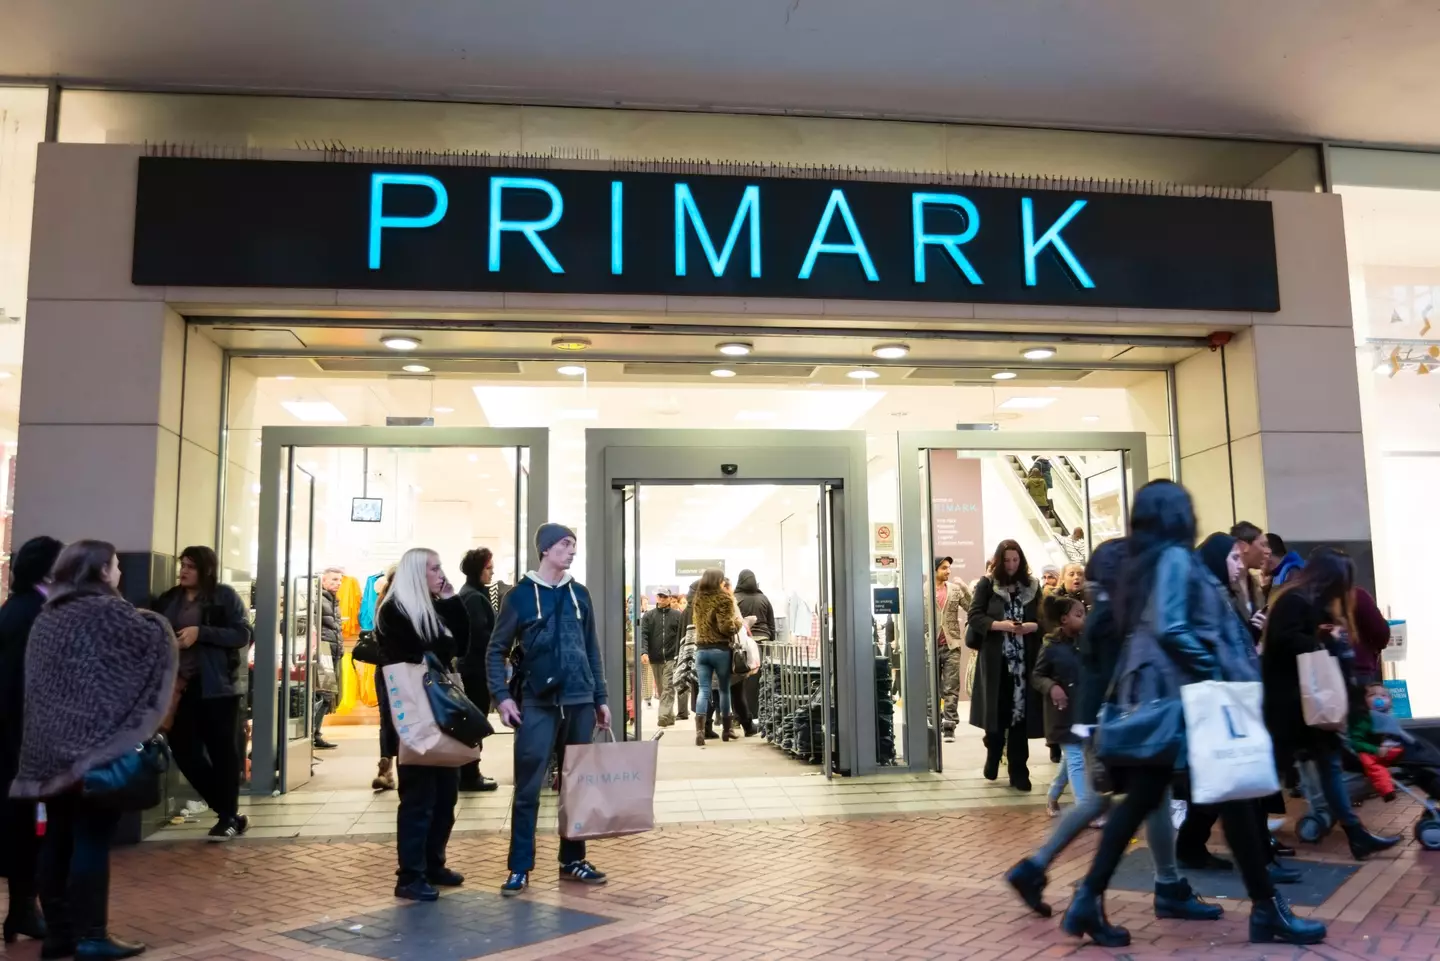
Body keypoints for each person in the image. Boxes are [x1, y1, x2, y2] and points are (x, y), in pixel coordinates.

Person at [1062, 483, 1325, 948]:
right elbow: (1173, 627)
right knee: (1233, 800)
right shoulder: (1176, 560)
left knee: (1156, 802)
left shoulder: (1148, 564)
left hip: (1168, 707)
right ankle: (1267, 911)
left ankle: (1088, 898)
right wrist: (1217, 676)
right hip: (1189, 706)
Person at [1006, 537, 1217, 926]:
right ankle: (1051, 874)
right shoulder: (1112, 617)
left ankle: (1162, 884)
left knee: (1136, 799)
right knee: (1114, 801)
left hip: (1113, 724)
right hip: (1116, 726)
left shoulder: (1109, 613)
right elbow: (1106, 672)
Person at [12, 540, 178, 960]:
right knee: (90, 838)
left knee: (57, 840)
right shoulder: (110, 613)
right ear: (102, 571)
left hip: (46, 752)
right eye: (117, 566)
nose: (121, 573)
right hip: (92, 750)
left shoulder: (48, 618)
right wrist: (154, 618)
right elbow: (153, 641)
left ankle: (59, 935)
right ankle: (92, 935)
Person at [488, 524, 611, 897]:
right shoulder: (519, 597)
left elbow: (592, 648)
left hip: (579, 701)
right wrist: (502, 696)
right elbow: (495, 650)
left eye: (574, 545)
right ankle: (520, 866)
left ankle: (572, 858)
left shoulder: (580, 594)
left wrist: (600, 697)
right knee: (527, 788)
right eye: (564, 544)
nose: (571, 551)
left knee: (576, 787)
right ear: (544, 549)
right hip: (536, 704)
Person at [1262, 549, 1400, 862]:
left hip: (1312, 704)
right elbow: (1283, 643)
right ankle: (1254, 838)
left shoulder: (1312, 603)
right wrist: (1324, 640)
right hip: (1290, 705)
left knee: (1328, 766)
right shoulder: (1294, 601)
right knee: (1276, 769)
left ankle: (1356, 834)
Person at [1174, 534, 1297, 884]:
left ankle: (1198, 849)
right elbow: (1207, 649)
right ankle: (1259, 866)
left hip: (1224, 698)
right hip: (1219, 700)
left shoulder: (1220, 596)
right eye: (1232, 558)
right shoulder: (1207, 597)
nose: (1240, 563)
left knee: (1221, 787)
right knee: (1239, 785)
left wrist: (1250, 636)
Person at [377, 548, 466, 902]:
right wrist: (442, 623)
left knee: (446, 791)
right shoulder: (395, 610)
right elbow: (424, 649)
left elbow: (462, 644)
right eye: (434, 568)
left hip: (439, 710)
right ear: (416, 572)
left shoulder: (430, 607)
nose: (441, 574)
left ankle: (433, 863)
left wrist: (450, 600)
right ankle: (410, 874)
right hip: (412, 712)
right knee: (418, 796)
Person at [151, 546, 253, 841]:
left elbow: (242, 634)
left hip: (218, 688)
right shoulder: (170, 599)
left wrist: (201, 633)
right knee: (183, 750)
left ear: (206, 569)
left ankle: (226, 817)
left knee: (224, 753)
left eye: (191, 566)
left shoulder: (224, 597)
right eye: (182, 565)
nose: (183, 571)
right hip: (178, 688)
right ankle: (227, 811)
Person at [0, 536, 63, 946]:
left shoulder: (15, 609)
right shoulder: (39, 613)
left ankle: (23, 909)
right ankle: (25, 909)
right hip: (26, 737)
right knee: (29, 824)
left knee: (22, 821)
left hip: (14, 735)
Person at [967, 540, 1042, 790]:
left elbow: (1043, 619)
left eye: (1015, 560)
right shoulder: (987, 584)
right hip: (995, 660)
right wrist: (1001, 625)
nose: (1011, 565)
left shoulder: (1032, 586)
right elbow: (975, 616)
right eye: (1007, 560)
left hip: (1024, 662)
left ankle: (1019, 770)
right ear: (999, 561)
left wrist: (1032, 626)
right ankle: (993, 752)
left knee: (1019, 715)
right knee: (997, 712)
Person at [455, 548, 502, 792]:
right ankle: (470, 773)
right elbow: (480, 638)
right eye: (488, 567)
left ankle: (469, 772)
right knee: (475, 722)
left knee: (473, 721)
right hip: (475, 671)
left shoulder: (472, 594)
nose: (492, 572)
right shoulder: (473, 597)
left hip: (472, 669)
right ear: (477, 569)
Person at [1035, 595, 1085, 817]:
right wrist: (1052, 686)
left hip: (1082, 712)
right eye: (1079, 615)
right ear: (1064, 619)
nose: (1084, 618)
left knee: (1070, 759)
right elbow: (1037, 675)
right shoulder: (1051, 646)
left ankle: (1052, 796)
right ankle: (1085, 809)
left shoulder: (1085, 644)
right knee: (1076, 759)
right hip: (1061, 714)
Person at [690, 569, 742, 747]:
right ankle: (726, 731)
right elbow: (726, 627)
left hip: (701, 651)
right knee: (724, 690)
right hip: (720, 650)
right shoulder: (724, 599)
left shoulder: (698, 599)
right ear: (718, 580)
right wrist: (739, 623)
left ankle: (699, 731)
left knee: (703, 690)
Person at [732, 570, 773, 737]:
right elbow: (771, 623)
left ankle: (738, 716)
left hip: (743, 644)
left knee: (739, 679)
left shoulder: (735, 598)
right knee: (760, 679)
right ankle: (757, 714)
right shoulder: (763, 598)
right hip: (763, 641)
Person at [371, 563, 399, 791]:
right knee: (403, 719)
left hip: (384, 669)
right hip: (398, 669)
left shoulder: (383, 600)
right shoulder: (397, 604)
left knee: (387, 720)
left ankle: (386, 767)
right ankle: (392, 768)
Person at [939, 561, 974, 743]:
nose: (948, 571)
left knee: (951, 686)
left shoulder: (954, 589)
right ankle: (933, 722)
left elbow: (972, 608)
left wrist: (965, 588)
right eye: (944, 568)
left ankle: (949, 724)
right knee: (931, 687)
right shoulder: (923, 590)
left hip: (951, 644)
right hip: (929, 644)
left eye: (949, 567)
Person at [641, 590, 686, 727]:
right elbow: (643, 635)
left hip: (672, 656)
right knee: (661, 689)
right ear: (656, 597)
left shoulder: (677, 615)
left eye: (664, 596)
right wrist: (644, 652)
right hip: (655, 657)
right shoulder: (649, 616)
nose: (661, 599)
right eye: (659, 596)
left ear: (669, 598)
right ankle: (670, 716)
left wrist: (681, 654)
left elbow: (681, 635)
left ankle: (663, 715)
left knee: (668, 686)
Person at [312, 567, 345, 750]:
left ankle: (314, 734)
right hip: (323, 651)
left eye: (339, 580)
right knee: (324, 695)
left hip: (330, 651)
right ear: (323, 580)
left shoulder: (332, 600)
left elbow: (334, 628)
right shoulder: (318, 599)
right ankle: (312, 734)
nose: (338, 583)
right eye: (334, 580)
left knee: (325, 695)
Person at [1230, 521, 1271, 629]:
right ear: (1244, 547)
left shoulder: (1253, 584)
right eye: (1263, 545)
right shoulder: (1226, 584)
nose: (1267, 551)